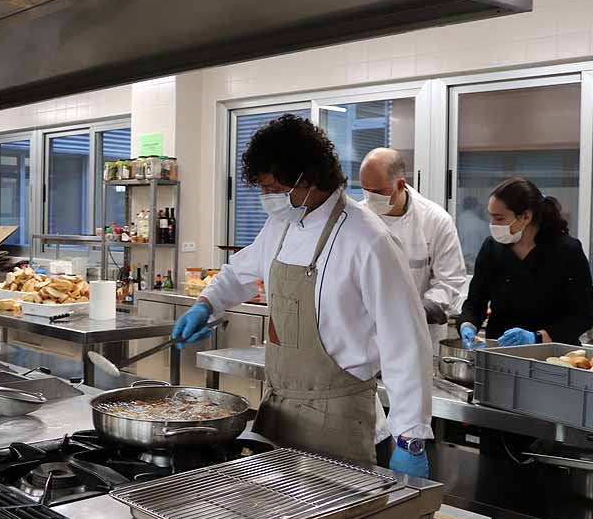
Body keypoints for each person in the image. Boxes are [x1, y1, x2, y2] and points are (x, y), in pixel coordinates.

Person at [172, 114, 433, 477]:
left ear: (309, 179)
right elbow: (241, 271)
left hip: (339, 422)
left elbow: (406, 342)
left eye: (275, 190)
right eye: (263, 190)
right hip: (280, 414)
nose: (268, 200)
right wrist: (206, 304)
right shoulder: (281, 224)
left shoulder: (369, 240)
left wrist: (411, 437)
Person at [458, 177, 593, 519]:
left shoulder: (566, 253)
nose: (492, 224)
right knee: (500, 487)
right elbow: (474, 301)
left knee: (546, 490)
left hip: (550, 379)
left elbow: (581, 315)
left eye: (499, 217)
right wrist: (468, 324)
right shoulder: (493, 249)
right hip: (500, 376)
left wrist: (539, 337)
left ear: (526, 216)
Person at [359, 148, 467, 343]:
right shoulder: (357, 219)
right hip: (366, 335)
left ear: (401, 185)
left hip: (419, 334)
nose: (369, 197)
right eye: (365, 190)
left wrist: (421, 310)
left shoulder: (435, 220)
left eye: (377, 192)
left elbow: (450, 281)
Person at [457, 196, 489, 272]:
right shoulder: (482, 225)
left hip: (459, 266)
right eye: (480, 206)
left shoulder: (456, 220)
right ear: (476, 206)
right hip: (475, 267)